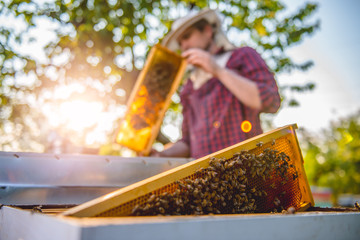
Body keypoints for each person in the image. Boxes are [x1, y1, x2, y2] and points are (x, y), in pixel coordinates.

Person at [153, 8, 281, 159]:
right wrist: (161, 155)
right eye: (180, 42)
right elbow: (188, 142)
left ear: (207, 31)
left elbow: (271, 101)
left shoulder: (242, 56)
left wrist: (218, 71)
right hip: (205, 178)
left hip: (247, 169)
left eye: (187, 37)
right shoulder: (188, 88)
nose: (184, 46)